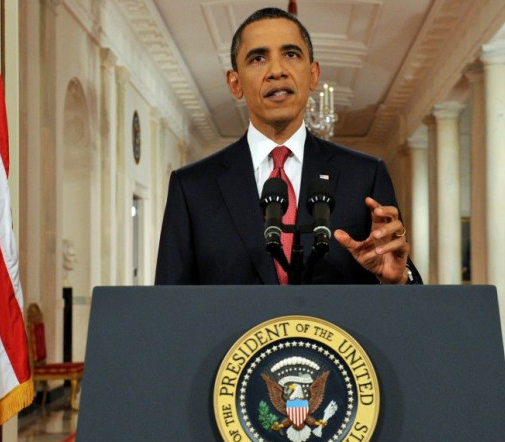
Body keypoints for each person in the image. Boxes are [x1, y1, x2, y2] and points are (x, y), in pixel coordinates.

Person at [155, 7, 422, 285]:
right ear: (235, 84)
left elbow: (403, 297)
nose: (277, 71)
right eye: (258, 58)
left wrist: (399, 280)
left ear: (313, 74)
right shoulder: (192, 187)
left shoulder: (366, 176)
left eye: (291, 54)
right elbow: (169, 306)